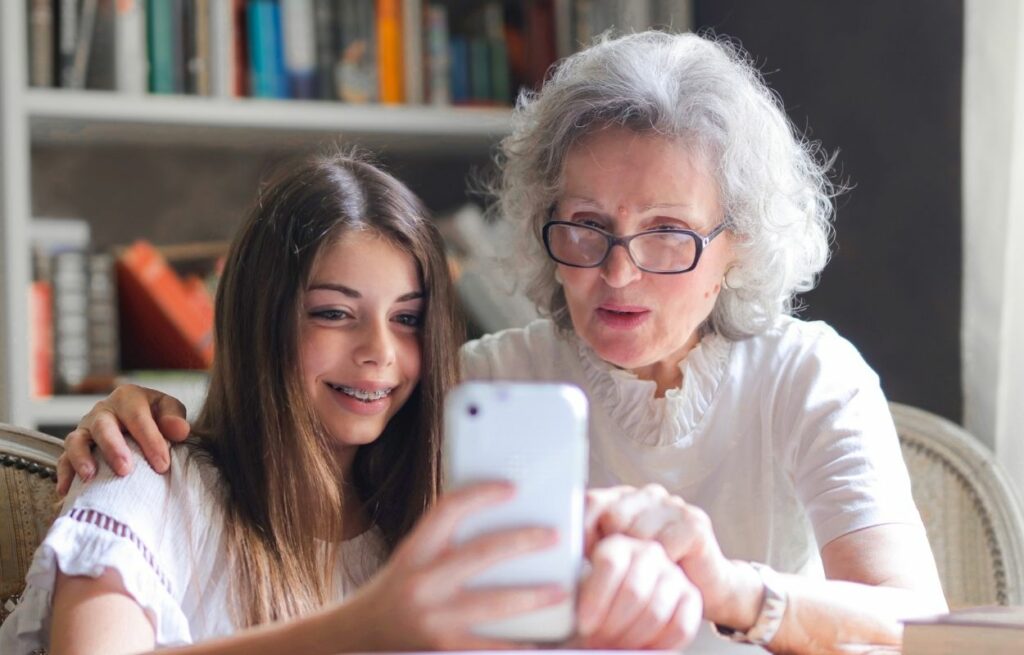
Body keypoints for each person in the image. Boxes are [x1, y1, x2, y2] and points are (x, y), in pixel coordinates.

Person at [57, 31, 947, 653]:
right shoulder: (477, 385)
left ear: (736, 246)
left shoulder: (808, 373)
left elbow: (918, 627)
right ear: (539, 221)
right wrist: (133, 413)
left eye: (668, 233)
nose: (618, 273)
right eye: (586, 226)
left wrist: (732, 589)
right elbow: (298, 446)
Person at [1, 151, 699, 654]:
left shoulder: (429, 518)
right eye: (335, 314)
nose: (380, 354)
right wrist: (370, 625)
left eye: (407, 318)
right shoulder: (144, 481)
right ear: (261, 319)